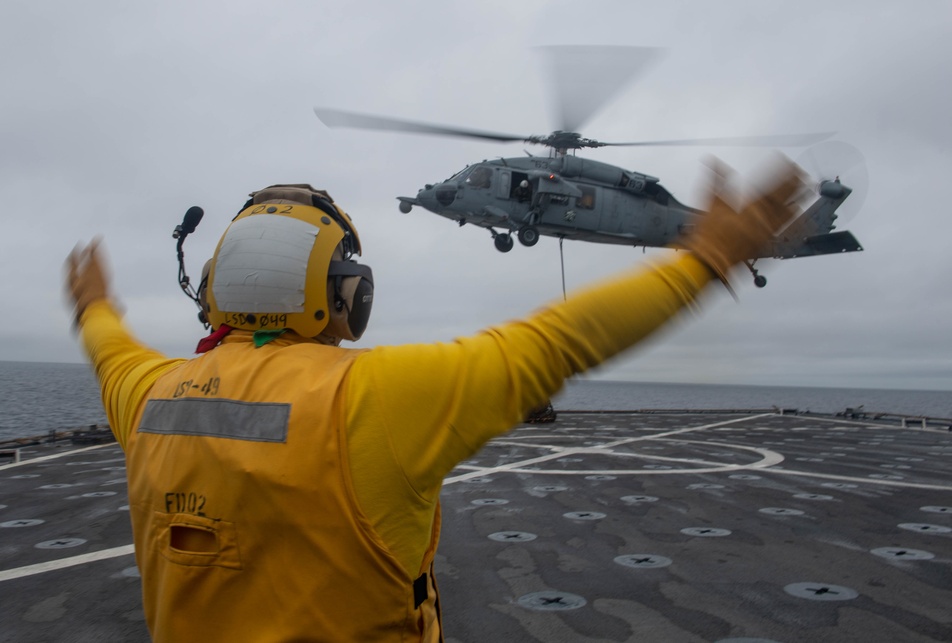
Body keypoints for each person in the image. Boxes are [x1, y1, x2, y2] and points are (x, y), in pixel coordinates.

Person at [67, 161, 803, 642]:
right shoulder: (378, 398)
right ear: (346, 294)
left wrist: (93, 304)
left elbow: (109, 347)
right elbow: (551, 343)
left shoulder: (148, 396)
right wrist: (706, 261)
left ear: (214, 289)